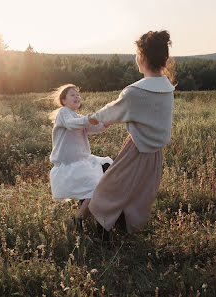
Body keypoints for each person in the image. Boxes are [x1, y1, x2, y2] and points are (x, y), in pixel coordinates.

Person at [87, 30, 175, 237]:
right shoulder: (167, 88)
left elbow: (112, 111)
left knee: (109, 188)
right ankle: (127, 230)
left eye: (137, 53)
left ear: (142, 57)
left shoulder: (135, 91)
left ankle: (103, 235)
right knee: (140, 192)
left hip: (136, 148)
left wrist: (93, 118)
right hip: (155, 152)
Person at [49, 84, 112, 228]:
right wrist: (90, 118)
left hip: (82, 161)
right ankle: (79, 219)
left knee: (98, 188)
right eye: (72, 94)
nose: (77, 97)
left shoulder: (76, 116)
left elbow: (93, 127)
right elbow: (72, 124)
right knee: (95, 189)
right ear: (64, 101)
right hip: (70, 164)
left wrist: (107, 122)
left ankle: (80, 219)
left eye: (78, 94)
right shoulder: (63, 113)